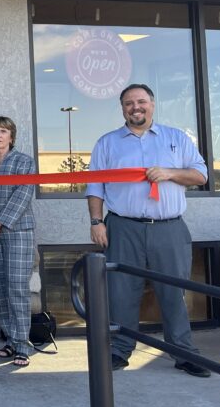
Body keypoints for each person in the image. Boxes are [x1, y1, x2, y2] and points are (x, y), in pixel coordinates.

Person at [86, 84, 210, 378]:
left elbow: (201, 174)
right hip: (123, 227)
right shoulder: (107, 143)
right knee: (121, 291)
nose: (135, 107)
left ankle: (182, 352)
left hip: (169, 228)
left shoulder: (176, 139)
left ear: (152, 104)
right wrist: (96, 221)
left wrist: (169, 173)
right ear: (122, 108)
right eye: (129, 103)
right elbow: (95, 186)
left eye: (141, 101)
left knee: (173, 291)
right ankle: (119, 349)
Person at [0, 116, 36, 368]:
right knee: (0, 287)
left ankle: (23, 344)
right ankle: (10, 339)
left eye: (3, 131)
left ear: (11, 136)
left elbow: (23, 194)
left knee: (17, 287)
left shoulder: (25, 162)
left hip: (17, 231)